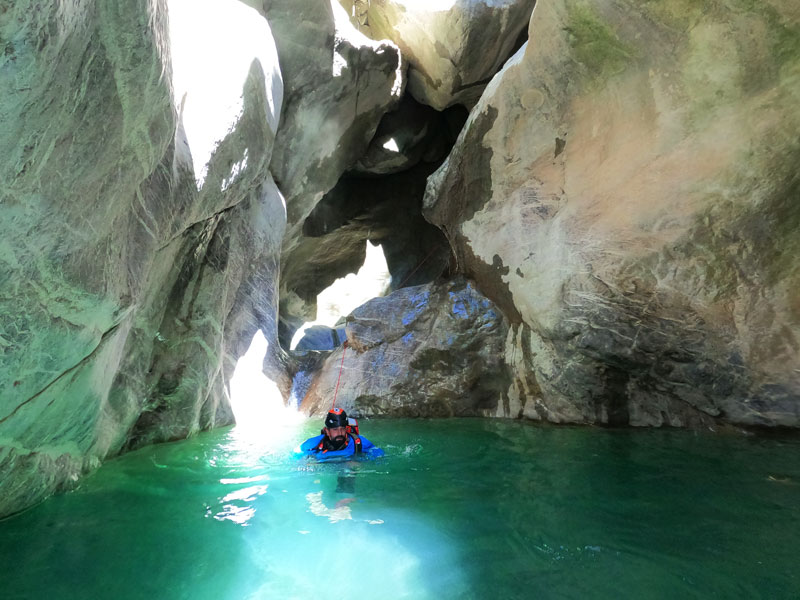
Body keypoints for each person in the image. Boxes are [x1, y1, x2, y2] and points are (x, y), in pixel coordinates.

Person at [297, 408, 384, 458]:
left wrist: (361, 462)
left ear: (346, 428)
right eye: (335, 429)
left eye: (342, 429)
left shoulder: (359, 443)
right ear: (327, 431)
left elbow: (380, 455)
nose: (340, 433)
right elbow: (295, 454)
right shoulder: (313, 444)